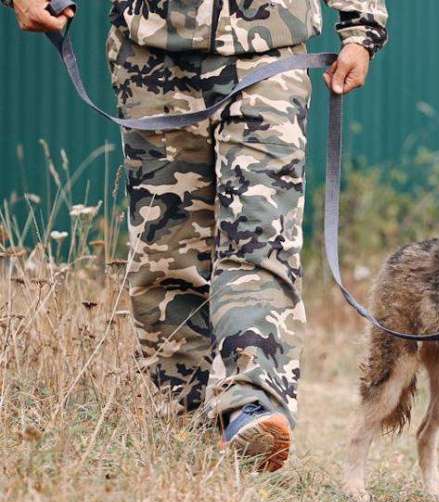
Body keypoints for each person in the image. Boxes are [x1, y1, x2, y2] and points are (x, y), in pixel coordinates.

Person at [5, 0, 388, 471]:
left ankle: (251, 404)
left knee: (259, 240)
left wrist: (361, 28)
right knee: (168, 255)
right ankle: (186, 430)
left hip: (267, 52)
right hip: (151, 58)